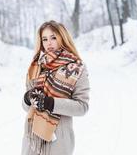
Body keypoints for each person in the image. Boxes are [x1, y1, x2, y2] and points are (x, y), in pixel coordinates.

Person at [21, 20, 90, 155]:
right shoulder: (36, 67)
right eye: (44, 39)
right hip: (32, 139)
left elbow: (82, 107)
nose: (49, 43)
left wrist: (50, 103)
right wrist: (28, 98)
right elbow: (26, 107)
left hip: (59, 141)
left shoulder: (76, 68)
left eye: (53, 37)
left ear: (62, 37)